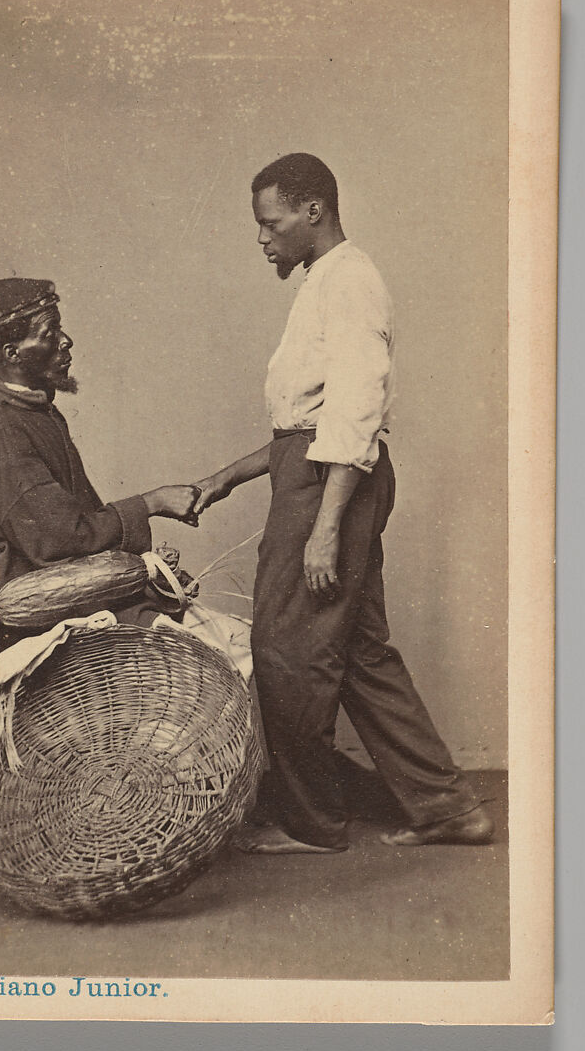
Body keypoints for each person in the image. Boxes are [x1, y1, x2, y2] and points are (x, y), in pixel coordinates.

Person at [193, 153, 494, 854]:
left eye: (270, 224)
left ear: (312, 211)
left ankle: (313, 822)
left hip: (333, 485)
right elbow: (306, 423)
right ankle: (448, 807)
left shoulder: (351, 281)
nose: (263, 239)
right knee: (358, 651)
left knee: (288, 650)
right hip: (319, 471)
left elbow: (352, 416)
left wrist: (324, 529)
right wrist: (228, 476)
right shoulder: (323, 281)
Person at [0, 277, 200, 655]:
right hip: (43, 625)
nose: (65, 340)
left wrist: (147, 570)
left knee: (219, 639)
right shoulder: (0, 433)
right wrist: (151, 503)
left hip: (78, 598)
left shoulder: (35, 413)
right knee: (213, 649)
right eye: (49, 333)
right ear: (12, 353)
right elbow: (59, 540)